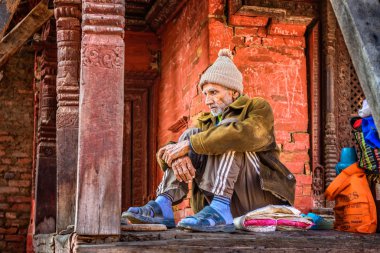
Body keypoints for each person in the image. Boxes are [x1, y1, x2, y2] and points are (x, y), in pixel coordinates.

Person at [123, 48, 296, 232]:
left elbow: (248, 134)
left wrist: (191, 145)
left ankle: (220, 208)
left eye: (213, 92)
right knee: (190, 134)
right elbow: (175, 147)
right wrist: (180, 155)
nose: (207, 100)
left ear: (234, 93)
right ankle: (163, 204)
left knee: (226, 133)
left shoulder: (257, 107)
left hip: (259, 196)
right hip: (229, 202)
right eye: (205, 94)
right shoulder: (206, 122)